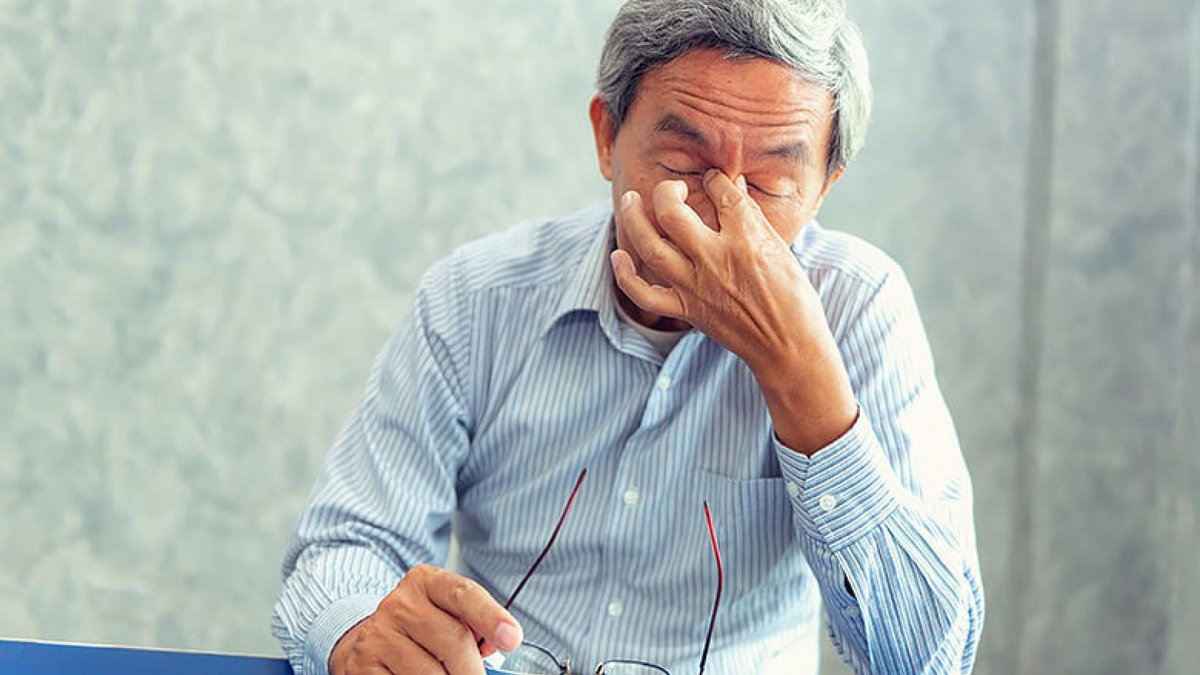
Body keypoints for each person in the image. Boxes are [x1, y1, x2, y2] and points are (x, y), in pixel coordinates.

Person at [272, 1, 985, 673]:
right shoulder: (477, 298)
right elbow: (347, 543)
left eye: (768, 182)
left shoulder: (861, 307)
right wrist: (359, 631)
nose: (719, 214)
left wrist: (796, 367)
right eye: (683, 165)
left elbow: (928, 658)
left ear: (825, 184)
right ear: (607, 136)